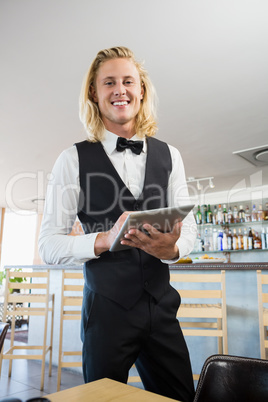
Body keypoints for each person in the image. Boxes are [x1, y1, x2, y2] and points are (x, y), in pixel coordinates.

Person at [39, 46, 197, 402]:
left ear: (141, 90)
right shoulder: (71, 159)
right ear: (94, 93)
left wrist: (172, 249)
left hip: (161, 306)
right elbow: (48, 244)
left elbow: (190, 230)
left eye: (128, 81)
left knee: (181, 398)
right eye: (109, 82)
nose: (119, 90)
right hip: (107, 312)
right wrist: (102, 240)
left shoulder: (170, 155)